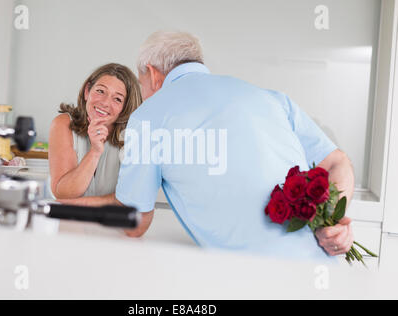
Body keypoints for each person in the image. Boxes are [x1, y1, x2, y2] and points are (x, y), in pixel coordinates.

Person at [78, 32, 355, 261]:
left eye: (142, 84)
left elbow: (134, 223)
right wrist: (333, 222)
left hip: (253, 281)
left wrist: (70, 206)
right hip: (323, 271)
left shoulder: (147, 117)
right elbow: (337, 161)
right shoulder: (270, 97)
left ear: (152, 74)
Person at [48, 63, 142, 202]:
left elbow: (131, 198)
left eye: (117, 99)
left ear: (125, 108)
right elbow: (63, 193)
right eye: (100, 91)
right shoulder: (63, 124)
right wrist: (95, 151)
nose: (105, 103)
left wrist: (84, 205)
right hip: (70, 221)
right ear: (87, 91)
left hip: (113, 222)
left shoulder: (134, 135)